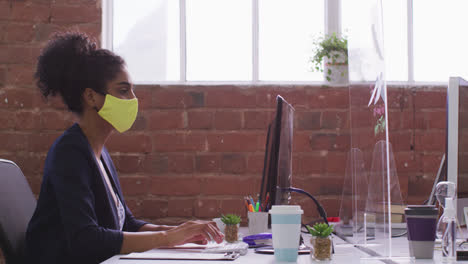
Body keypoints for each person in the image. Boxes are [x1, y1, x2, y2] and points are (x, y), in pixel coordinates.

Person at [25, 32, 224, 264]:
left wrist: (181, 232)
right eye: (123, 90)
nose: (132, 99)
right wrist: (166, 237)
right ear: (91, 97)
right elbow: (85, 240)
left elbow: (125, 224)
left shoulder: (97, 152)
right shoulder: (69, 153)